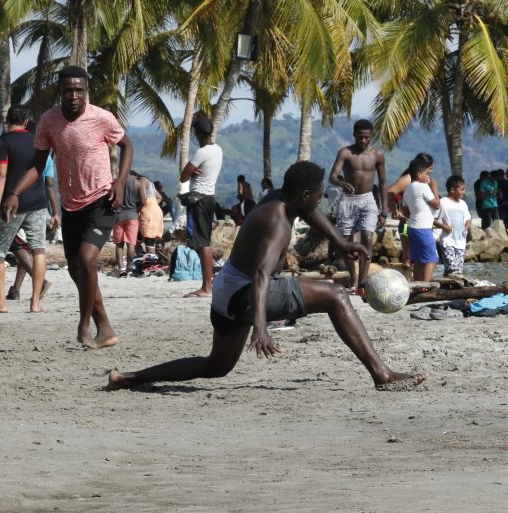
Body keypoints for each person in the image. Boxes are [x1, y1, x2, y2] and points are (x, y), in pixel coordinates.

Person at [106, 161, 427, 392]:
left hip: (226, 291)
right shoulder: (278, 224)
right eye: (317, 195)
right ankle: (381, 374)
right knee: (336, 295)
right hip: (246, 293)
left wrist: (342, 242)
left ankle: (129, 378)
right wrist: (260, 327)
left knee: (215, 367)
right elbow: (261, 275)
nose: (320, 201)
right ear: (303, 194)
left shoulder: (279, 197)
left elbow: (311, 213)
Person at [3, 65, 134, 350]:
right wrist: (13, 192)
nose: (73, 95)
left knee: (87, 261)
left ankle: (84, 326)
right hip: (70, 205)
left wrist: (120, 182)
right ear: (59, 92)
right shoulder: (49, 121)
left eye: (79, 90)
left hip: (101, 199)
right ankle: (106, 329)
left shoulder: (101, 117)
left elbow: (127, 145)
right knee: (77, 272)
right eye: (67, 90)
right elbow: (38, 164)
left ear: (86, 91)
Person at [0, 106, 49, 313]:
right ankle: (35, 302)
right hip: (38, 201)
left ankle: (0, 302)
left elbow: (0, 175)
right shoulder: (36, 140)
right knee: (38, 249)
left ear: (7, 120)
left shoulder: (3, 142)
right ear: (26, 121)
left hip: (11, 204)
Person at [328, 119, 387, 294]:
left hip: (368, 200)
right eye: (360, 137)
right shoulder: (345, 153)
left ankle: (362, 282)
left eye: (366, 138)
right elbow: (332, 176)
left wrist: (384, 211)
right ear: (354, 135)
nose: (363, 141)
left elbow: (383, 183)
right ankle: (353, 279)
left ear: (371, 137)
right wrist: (341, 183)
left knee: (367, 238)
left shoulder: (377, 155)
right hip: (348, 200)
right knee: (345, 243)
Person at [180, 116, 223, 298]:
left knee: (203, 243)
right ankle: (207, 285)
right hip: (210, 198)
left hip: (199, 200)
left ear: (197, 133)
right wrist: (192, 171)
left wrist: (190, 171)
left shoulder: (201, 153)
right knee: (203, 242)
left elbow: (183, 176)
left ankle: (207, 287)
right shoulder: (218, 150)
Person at [388, 153, 437, 273]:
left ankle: (415, 284)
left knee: (419, 258)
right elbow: (389, 193)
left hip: (420, 224)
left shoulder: (423, 181)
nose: (430, 171)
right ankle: (409, 284)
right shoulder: (408, 179)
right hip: (408, 223)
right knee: (409, 258)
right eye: (429, 169)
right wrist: (396, 213)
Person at [400, 159, 440, 282]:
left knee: (418, 259)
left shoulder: (407, 189)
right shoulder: (423, 187)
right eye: (427, 173)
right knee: (431, 259)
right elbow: (437, 204)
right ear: (419, 174)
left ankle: (417, 284)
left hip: (412, 227)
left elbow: (405, 212)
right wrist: (434, 188)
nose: (429, 176)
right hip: (423, 228)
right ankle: (426, 286)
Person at [434, 175, 470, 275]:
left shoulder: (463, 204)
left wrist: (466, 227)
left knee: (458, 271)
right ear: (452, 190)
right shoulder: (443, 202)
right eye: (462, 189)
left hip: (461, 243)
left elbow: (468, 219)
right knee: (450, 268)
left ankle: (451, 287)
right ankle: (446, 285)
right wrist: (444, 227)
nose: (463, 192)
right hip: (447, 241)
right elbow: (434, 219)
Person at [112, 172, 141, 277]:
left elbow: (110, 198)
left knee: (119, 245)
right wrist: (136, 210)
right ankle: (129, 268)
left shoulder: (115, 182)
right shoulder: (137, 183)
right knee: (131, 244)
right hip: (132, 216)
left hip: (118, 216)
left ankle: (121, 269)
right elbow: (143, 199)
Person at [138, 173, 164, 256]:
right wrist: (152, 205)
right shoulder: (150, 184)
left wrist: (141, 207)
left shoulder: (142, 181)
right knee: (144, 240)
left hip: (148, 215)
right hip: (156, 213)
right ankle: (146, 261)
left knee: (149, 242)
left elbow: (143, 198)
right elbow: (159, 197)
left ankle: (151, 264)